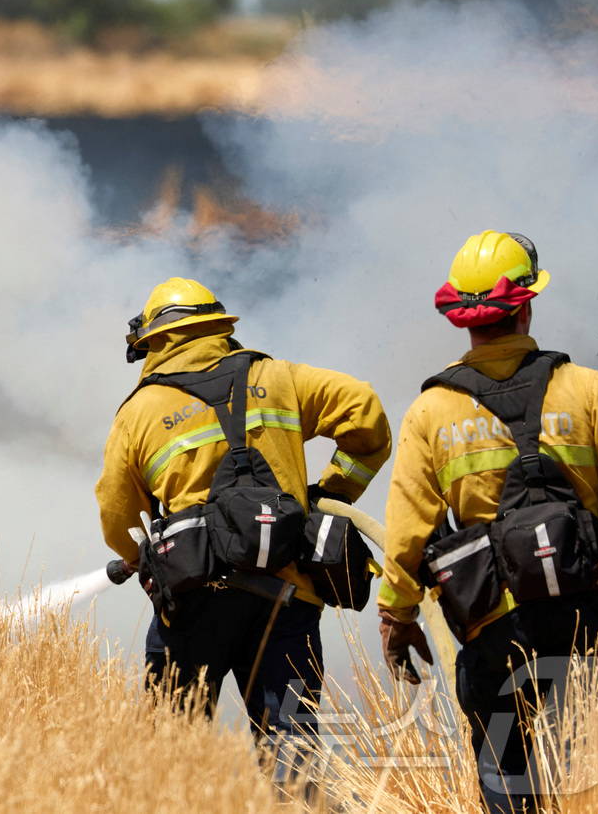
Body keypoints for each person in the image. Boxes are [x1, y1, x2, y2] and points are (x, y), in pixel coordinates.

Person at [377, 230, 598, 814]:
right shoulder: (586, 389)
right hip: (587, 626)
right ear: (525, 306)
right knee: (594, 778)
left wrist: (396, 617)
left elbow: (407, 533)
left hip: (495, 633)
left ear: (462, 319)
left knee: (507, 782)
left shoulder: (431, 411)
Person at [96, 276, 392, 764]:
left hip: (193, 603)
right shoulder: (279, 378)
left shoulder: (137, 413)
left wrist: (140, 557)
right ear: (219, 327)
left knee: (171, 755)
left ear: (153, 342)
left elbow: (117, 516)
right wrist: (330, 492)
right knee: (291, 751)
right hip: (289, 599)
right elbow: (366, 412)